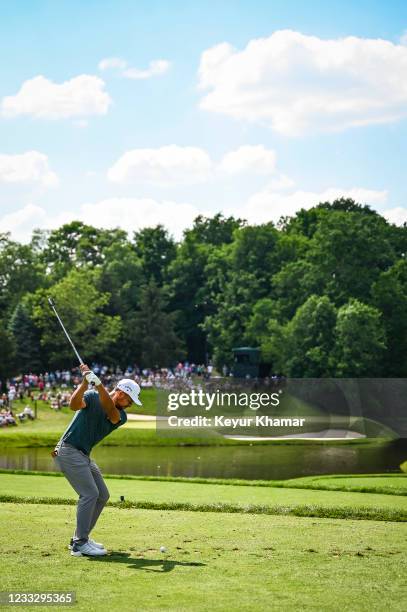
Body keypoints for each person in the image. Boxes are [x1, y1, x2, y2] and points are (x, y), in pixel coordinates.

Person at [52, 363, 142, 557]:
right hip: (68, 450)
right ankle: (80, 544)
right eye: (130, 400)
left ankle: (79, 537)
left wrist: (99, 385)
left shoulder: (121, 415)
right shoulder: (92, 396)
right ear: (121, 393)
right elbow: (73, 405)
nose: (130, 405)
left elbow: (111, 412)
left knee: (102, 495)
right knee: (89, 494)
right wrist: (85, 383)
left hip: (83, 454)